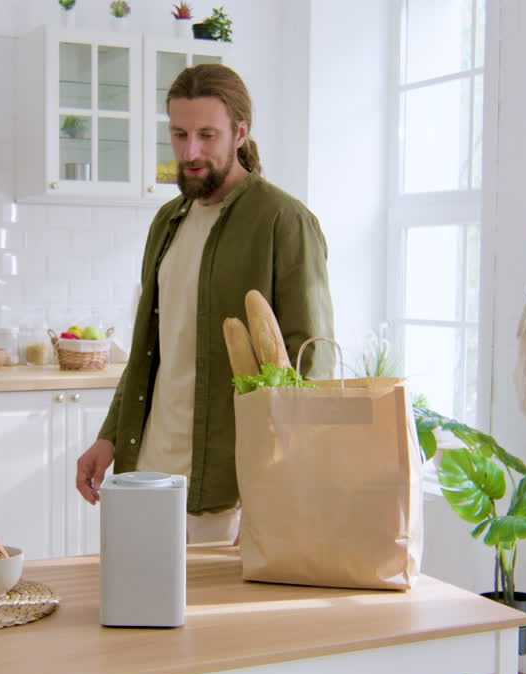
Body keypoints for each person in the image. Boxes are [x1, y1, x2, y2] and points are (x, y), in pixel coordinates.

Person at [74, 63, 335, 541]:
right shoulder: (167, 221)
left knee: (217, 595)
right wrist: (109, 436)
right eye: (179, 134)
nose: (190, 152)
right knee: (137, 588)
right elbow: (150, 349)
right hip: (148, 468)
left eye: (207, 136)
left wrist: (278, 489)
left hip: (230, 484)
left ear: (240, 133)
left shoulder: (283, 220)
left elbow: (310, 364)